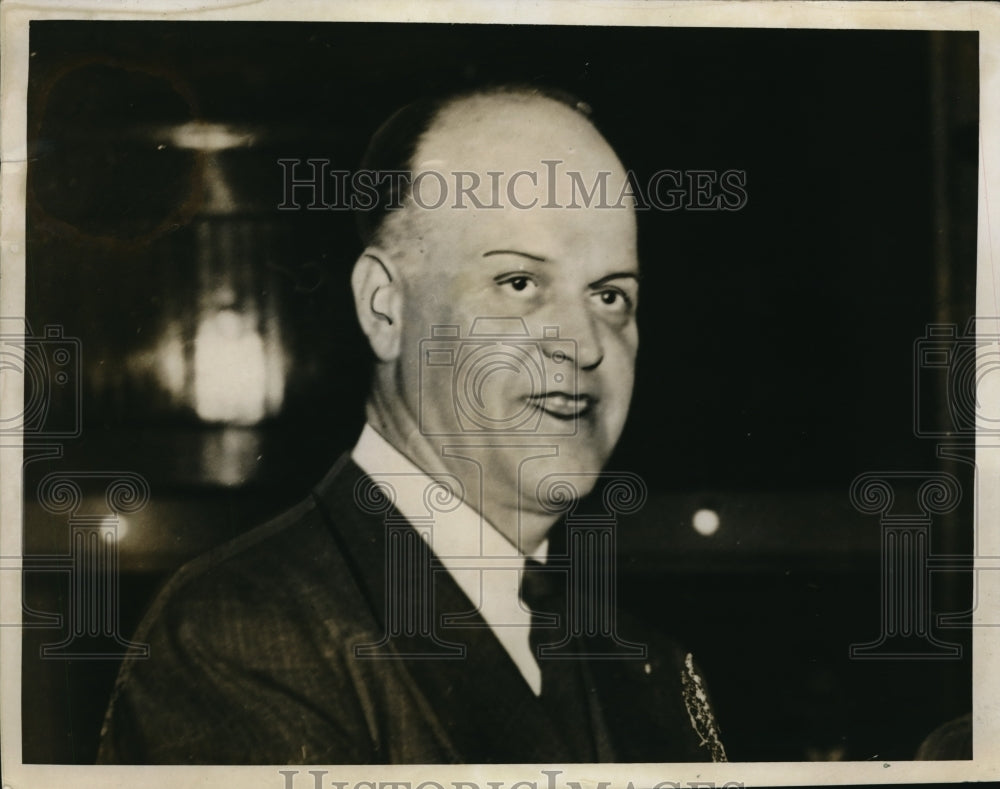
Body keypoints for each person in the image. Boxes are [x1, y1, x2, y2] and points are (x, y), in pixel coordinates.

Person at [96, 85, 727, 764]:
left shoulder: (648, 666)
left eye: (610, 295)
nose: (584, 342)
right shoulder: (240, 640)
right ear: (385, 308)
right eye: (519, 283)